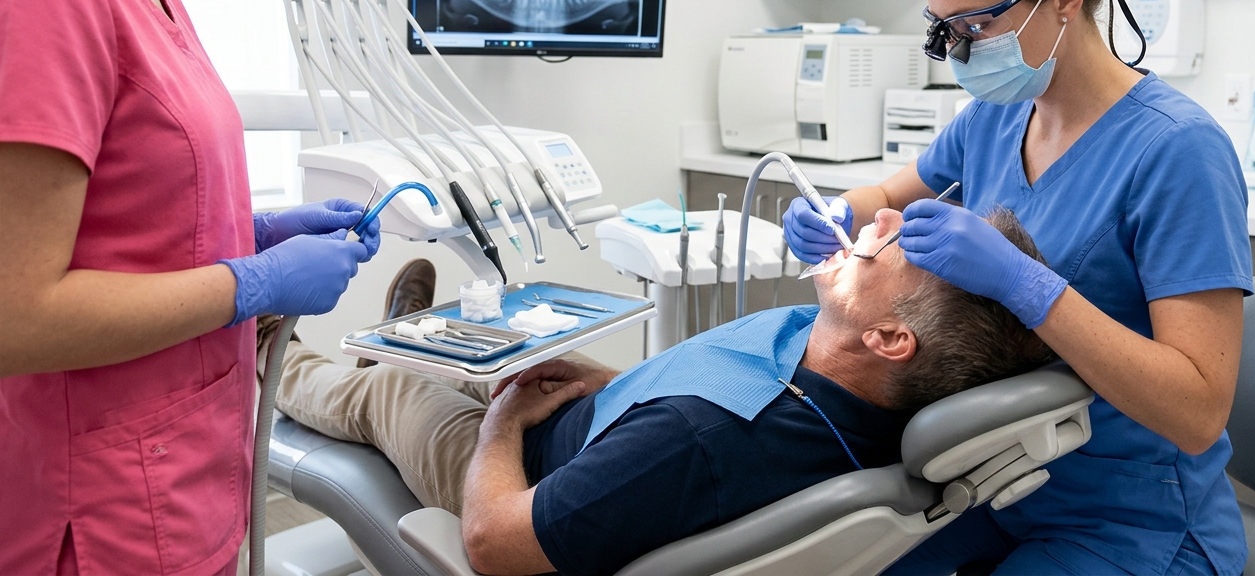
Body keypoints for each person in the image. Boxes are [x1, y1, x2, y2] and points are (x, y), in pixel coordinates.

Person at [785, 0, 1252, 576]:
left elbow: (1197, 412)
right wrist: (834, 211)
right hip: (993, 480)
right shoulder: (996, 116)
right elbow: (891, 191)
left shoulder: (1177, 151)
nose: (962, 49)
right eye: (944, 29)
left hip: (1130, 517)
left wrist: (1025, 285)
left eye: (976, 24)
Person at [0, 0, 381, 573]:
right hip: (100, 512)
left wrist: (257, 231)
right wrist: (253, 281)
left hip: (180, 478)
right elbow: (15, 315)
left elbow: (132, 214)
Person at [272, 207, 1057, 576]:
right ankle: (401, 352)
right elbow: (715, 394)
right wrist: (616, 385)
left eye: (889, 246)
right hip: (601, 424)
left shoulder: (696, 443)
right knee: (461, 359)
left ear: (890, 339)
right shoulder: (849, 384)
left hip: (526, 468)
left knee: (396, 395)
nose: (878, 214)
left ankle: (282, 360)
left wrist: (503, 422)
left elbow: (492, 543)